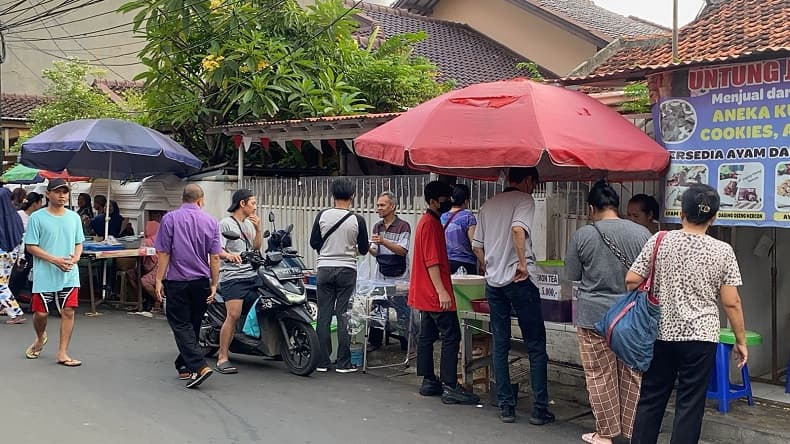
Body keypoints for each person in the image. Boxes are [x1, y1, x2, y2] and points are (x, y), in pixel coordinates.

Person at [628, 184, 747, 444]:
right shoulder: (723, 251)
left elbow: (631, 280)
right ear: (713, 217)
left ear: (681, 213)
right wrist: (740, 340)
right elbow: (732, 302)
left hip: (661, 332)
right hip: (701, 338)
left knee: (651, 399)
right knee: (690, 406)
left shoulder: (660, 240)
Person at [564, 180, 651, 444]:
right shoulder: (641, 234)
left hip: (593, 317)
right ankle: (633, 432)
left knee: (600, 375)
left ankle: (606, 434)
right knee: (632, 374)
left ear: (592, 208)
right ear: (616, 206)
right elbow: (649, 276)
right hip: (632, 316)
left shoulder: (583, 235)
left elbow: (572, 275)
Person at [472, 167, 554, 425]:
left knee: (500, 343)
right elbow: (518, 230)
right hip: (519, 281)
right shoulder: (524, 200)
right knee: (536, 345)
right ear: (528, 180)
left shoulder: (489, 204)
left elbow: (476, 245)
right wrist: (521, 264)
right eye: (534, 183)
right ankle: (540, 409)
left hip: (494, 284)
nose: (533, 189)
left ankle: (506, 406)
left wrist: (488, 265)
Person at [409, 180, 479, 405]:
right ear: (432, 201)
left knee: (427, 337)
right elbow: (432, 262)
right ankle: (450, 385)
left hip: (424, 292)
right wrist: (441, 291)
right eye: (444, 200)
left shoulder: (429, 221)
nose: (449, 202)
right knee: (451, 336)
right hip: (433, 292)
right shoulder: (430, 224)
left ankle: (429, 380)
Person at [154, 184, 222, 389]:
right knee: (192, 324)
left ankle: (199, 366)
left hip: (178, 281)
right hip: (201, 282)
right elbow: (216, 256)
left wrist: (158, 279)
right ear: (200, 200)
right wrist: (214, 283)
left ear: (183, 199)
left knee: (181, 324)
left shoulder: (170, 219)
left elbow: (164, 253)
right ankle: (184, 365)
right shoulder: (211, 221)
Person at [309, 178, 369, 373]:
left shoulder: (322, 216)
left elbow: (314, 243)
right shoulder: (357, 220)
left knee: (324, 315)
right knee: (343, 315)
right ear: (352, 196)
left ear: (332, 195)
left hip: (325, 268)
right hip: (347, 270)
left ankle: (322, 362)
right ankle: (344, 363)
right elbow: (364, 248)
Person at [23, 179, 85, 366]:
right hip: (45, 272)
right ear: (48, 194)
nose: (62, 195)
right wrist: (55, 260)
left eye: (65, 192)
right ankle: (40, 337)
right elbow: (31, 246)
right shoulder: (37, 217)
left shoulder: (74, 217)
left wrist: (75, 258)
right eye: (57, 191)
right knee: (41, 314)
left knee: (68, 311)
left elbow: (78, 243)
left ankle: (63, 352)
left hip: (69, 273)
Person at [216, 189, 264, 374]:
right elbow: (217, 249)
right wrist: (229, 256)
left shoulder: (250, 224)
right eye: (252, 203)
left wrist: (259, 228)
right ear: (242, 204)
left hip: (251, 274)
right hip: (233, 276)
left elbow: (257, 247)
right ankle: (222, 357)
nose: (255, 206)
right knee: (233, 314)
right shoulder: (225, 224)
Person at [367, 191, 411, 351]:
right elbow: (374, 250)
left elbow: (403, 250)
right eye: (378, 205)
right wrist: (366, 248)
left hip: (400, 273)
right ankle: (375, 340)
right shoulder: (377, 226)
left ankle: (406, 341)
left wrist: (384, 241)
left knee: (402, 307)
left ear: (392, 206)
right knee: (378, 305)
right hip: (382, 271)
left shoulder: (403, 226)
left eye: (382, 205)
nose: (378, 208)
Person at [1, 188, 27, 325]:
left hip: (2, 252)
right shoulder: (15, 216)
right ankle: (5, 307)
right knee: (4, 282)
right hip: (12, 252)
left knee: (0, 285)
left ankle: (16, 312)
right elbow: (21, 236)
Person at [440, 183, 479, 275]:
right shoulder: (468, 216)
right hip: (465, 263)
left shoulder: (442, 216)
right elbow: (474, 244)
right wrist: (483, 262)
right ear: (465, 201)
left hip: (445, 262)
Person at [128, 221, 161, 313]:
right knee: (131, 274)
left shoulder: (149, 241)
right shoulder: (157, 239)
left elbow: (141, 250)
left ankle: (158, 299)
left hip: (158, 267)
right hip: (147, 266)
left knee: (145, 281)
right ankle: (142, 298)